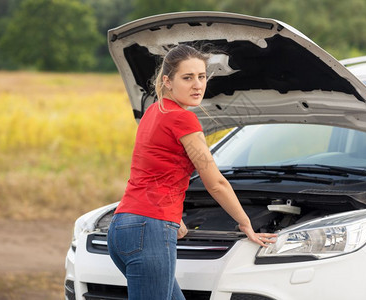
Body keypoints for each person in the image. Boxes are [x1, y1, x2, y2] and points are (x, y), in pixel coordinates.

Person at [107, 44, 277, 300]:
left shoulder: (153, 112)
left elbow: (153, 170)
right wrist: (246, 224)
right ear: (168, 81)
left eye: (201, 76)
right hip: (150, 231)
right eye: (187, 78)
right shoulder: (183, 119)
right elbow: (215, 182)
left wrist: (175, 217)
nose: (197, 85)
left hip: (122, 227)